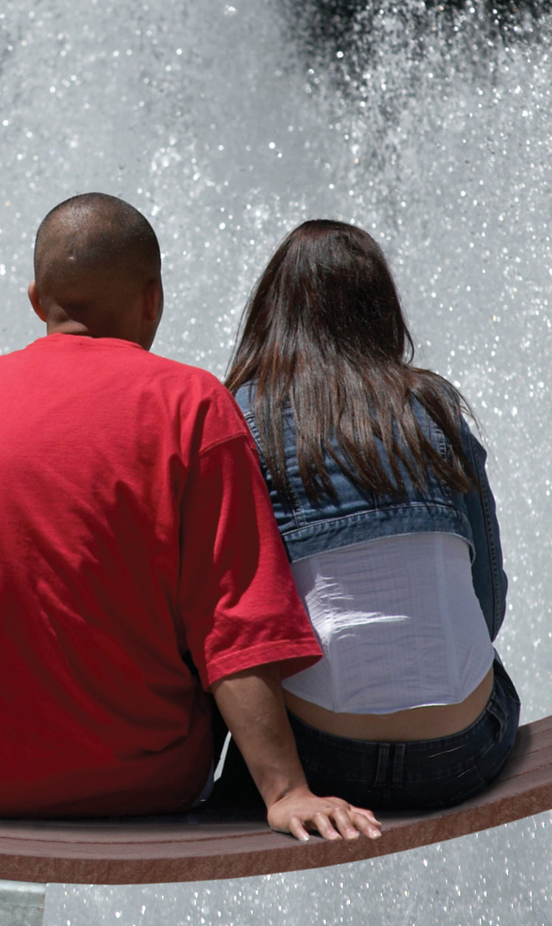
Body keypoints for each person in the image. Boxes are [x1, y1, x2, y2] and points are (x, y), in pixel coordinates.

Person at [0, 194, 382, 840]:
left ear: (35, 299)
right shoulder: (192, 403)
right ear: (152, 299)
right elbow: (235, 618)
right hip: (141, 783)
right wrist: (286, 790)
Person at [218, 220, 517, 811]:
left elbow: (239, 616)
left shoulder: (243, 416)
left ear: (272, 312)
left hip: (321, 760)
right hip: (462, 753)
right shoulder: (433, 406)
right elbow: (488, 597)